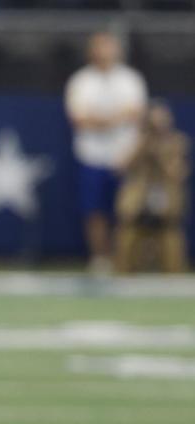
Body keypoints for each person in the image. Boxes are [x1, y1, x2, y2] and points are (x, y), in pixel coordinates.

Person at [64, 31, 147, 275]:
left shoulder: (131, 80)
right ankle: (100, 258)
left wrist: (100, 121)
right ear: (91, 52)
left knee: (128, 211)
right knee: (94, 211)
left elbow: (137, 115)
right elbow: (79, 119)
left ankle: (126, 259)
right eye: (99, 48)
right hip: (91, 156)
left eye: (109, 47)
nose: (104, 53)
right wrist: (116, 118)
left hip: (125, 156)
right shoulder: (81, 81)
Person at [114, 100, 189, 275]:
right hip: (139, 199)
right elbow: (121, 167)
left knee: (171, 236)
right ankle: (123, 274)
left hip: (166, 199)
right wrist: (142, 145)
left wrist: (160, 154)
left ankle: (174, 276)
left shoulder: (177, 142)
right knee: (127, 234)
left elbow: (178, 174)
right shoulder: (136, 141)